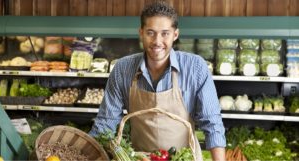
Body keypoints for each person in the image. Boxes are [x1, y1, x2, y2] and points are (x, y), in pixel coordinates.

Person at [89, 1, 226, 160]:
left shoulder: (195, 68)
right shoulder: (123, 69)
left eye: (165, 33)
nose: (157, 41)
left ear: (175, 34)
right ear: (141, 32)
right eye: (150, 32)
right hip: (139, 158)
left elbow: (212, 123)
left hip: (184, 158)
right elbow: (106, 123)